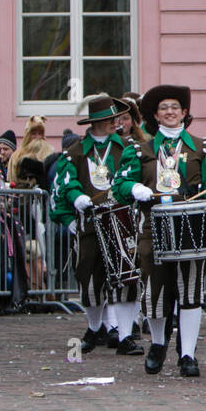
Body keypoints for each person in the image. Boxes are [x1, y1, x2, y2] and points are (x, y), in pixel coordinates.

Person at [115, 84, 206, 377]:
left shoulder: (203, 147)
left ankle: (187, 353)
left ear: (185, 113)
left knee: (190, 290)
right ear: (156, 115)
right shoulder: (139, 149)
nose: (170, 112)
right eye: (164, 108)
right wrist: (134, 187)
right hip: (153, 225)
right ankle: (159, 344)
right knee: (155, 290)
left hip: (191, 227)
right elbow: (120, 185)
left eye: (175, 108)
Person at [51, 95, 143, 355]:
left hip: (123, 224)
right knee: (89, 279)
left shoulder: (126, 147)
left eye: (118, 118)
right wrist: (75, 200)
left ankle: (125, 336)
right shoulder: (75, 152)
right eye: (112, 119)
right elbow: (66, 184)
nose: (117, 122)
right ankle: (95, 327)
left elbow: (135, 175)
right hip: (90, 225)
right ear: (99, 122)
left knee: (127, 278)